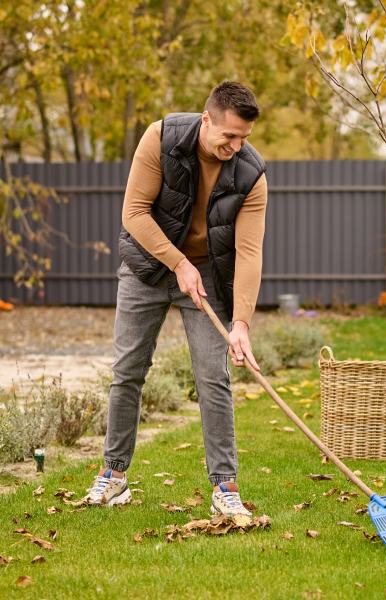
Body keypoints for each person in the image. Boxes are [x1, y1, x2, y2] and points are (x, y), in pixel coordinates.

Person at [82, 81, 267, 517]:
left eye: (244, 138)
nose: (237, 147)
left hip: (205, 274)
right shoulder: (161, 138)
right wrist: (178, 263)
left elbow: (249, 252)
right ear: (207, 120)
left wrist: (241, 322)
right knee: (127, 369)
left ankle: (225, 486)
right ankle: (114, 476)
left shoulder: (251, 173)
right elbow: (134, 213)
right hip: (147, 265)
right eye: (229, 137)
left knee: (212, 376)